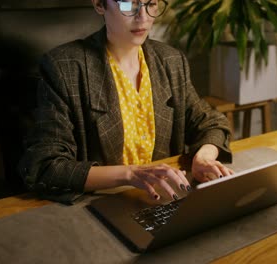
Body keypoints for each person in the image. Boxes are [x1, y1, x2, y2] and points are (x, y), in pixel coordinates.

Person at [18, 0, 233, 204]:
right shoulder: (64, 68)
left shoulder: (170, 61)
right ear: (99, 4)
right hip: (100, 204)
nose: (143, 17)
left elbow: (211, 123)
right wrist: (130, 174)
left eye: (151, 4)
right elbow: (46, 166)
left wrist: (203, 158)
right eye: (129, 4)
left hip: (164, 199)